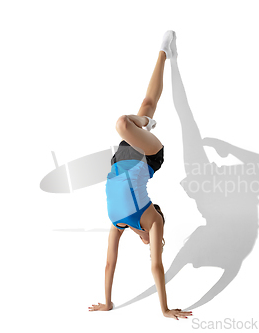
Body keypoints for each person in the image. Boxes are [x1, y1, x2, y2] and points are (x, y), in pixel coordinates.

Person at [88, 31, 192, 320]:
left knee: (146, 103)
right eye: (152, 241)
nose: (148, 242)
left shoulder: (119, 222)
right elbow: (157, 267)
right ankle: (144, 122)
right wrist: (165, 309)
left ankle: (163, 51)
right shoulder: (153, 219)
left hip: (120, 160)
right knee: (123, 122)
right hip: (149, 159)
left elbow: (110, 263)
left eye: (147, 241)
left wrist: (107, 303)